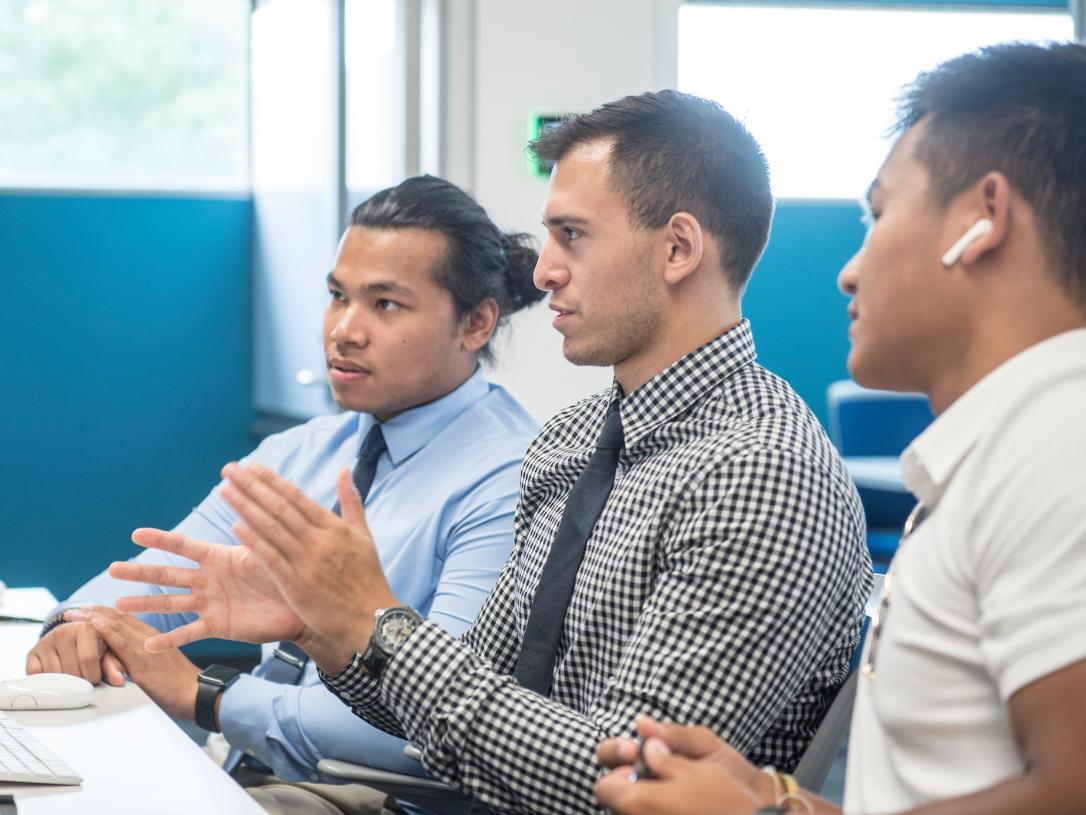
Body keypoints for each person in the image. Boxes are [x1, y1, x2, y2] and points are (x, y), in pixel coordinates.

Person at [106, 90, 871, 814]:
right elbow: (459, 709)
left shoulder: (761, 469)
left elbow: (625, 786)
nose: (541, 273)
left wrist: (374, 621)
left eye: (572, 235)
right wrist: (323, 627)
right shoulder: (571, 440)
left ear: (677, 248)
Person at [593, 41, 1086, 815]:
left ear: (983, 218)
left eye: (880, 214)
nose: (848, 270)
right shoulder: (1014, 444)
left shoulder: (1060, 438)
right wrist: (779, 797)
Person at [27, 175, 544, 809]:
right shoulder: (305, 450)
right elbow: (144, 590)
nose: (344, 330)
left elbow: (440, 721)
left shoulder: (512, 478)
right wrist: (78, 626)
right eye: (337, 296)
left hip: (372, 798)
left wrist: (206, 696)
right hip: (244, 769)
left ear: (476, 323)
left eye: (385, 304)